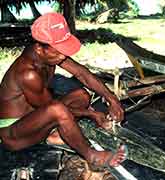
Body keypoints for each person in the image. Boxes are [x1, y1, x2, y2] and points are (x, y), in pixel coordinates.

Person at [0, 12, 126, 169]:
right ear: (40, 49)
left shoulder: (48, 55)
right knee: (58, 110)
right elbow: (52, 108)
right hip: (15, 133)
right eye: (59, 51)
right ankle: (91, 155)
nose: (63, 56)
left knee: (82, 95)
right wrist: (92, 114)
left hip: (35, 118)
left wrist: (111, 98)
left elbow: (83, 74)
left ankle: (53, 134)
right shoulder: (28, 74)